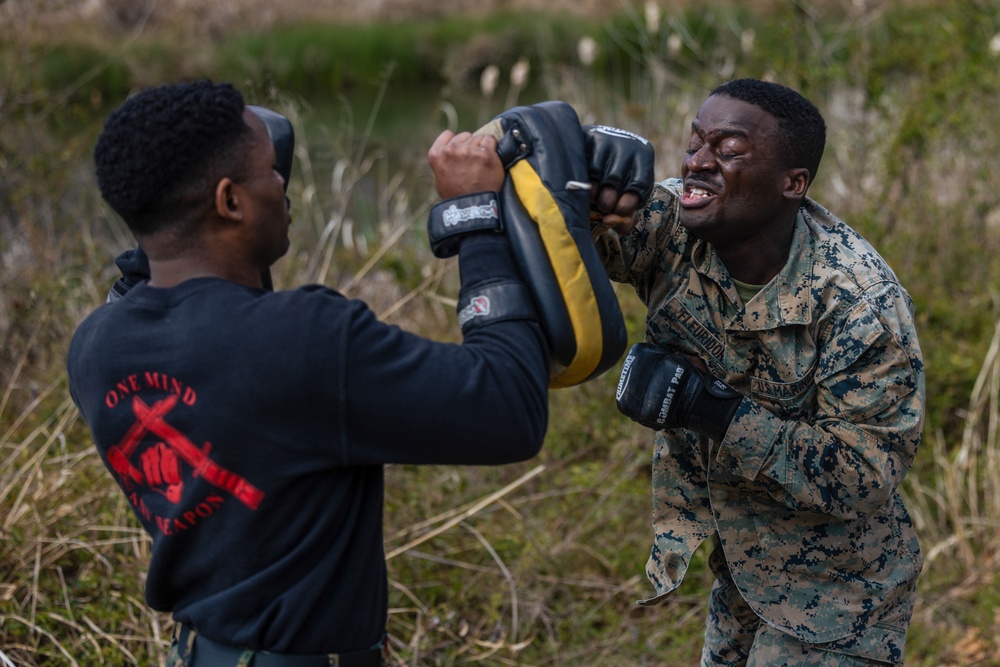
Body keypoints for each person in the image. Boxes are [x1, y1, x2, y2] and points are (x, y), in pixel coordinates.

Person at [66, 80, 551, 666]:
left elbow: (202, 318)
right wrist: (475, 217)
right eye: (272, 172)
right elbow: (508, 409)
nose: (284, 188)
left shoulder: (95, 347)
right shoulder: (306, 340)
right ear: (230, 202)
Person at [593, 78, 925, 666]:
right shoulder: (675, 222)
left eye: (728, 150)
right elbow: (584, 246)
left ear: (792, 183)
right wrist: (576, 171)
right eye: (696, 141)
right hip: (743, 572)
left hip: (840, 593)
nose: (697, 162)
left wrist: (711, 408)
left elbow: (864, 472)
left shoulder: (858, 303)